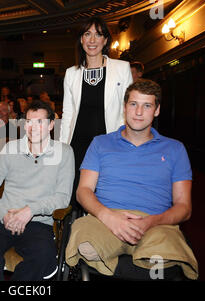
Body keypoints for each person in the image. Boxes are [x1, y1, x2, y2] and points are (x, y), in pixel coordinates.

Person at [65, 79, 198, 280]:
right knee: (84, 241)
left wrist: (152, 222)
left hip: (156, 223)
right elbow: (83, 191)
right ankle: (127, 263)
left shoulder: (175, 149)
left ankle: (120, 265)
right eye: (133, 104)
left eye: (147, 106)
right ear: (125, 107)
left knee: (168, 255)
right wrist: (109, 217)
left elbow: (184, 207)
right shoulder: (100, 143)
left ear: (157, 110)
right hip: (105, 219)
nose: (138, 112)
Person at [0, 100, 74, 281]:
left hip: (39, 223)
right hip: (4, 217)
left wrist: (29, 211)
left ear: (51, 125)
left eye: (40, 122)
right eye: (29, 121)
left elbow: (62, 198)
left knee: (43, 257)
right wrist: (3, 214)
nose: (33, 127)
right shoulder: (11, 148)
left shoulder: (64, 152)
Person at [59, 16, 133, 210]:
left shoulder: (122, 68)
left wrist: (124, 142)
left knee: (104, 194)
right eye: (87, 34)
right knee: (75, 195)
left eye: (98, 35)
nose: (92, 40)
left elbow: (129, 109)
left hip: (109, 142)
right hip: (77, 144)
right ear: (81, 40)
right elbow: (67, 114)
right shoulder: (71, 73)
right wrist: (62, 148)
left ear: (105, 40)